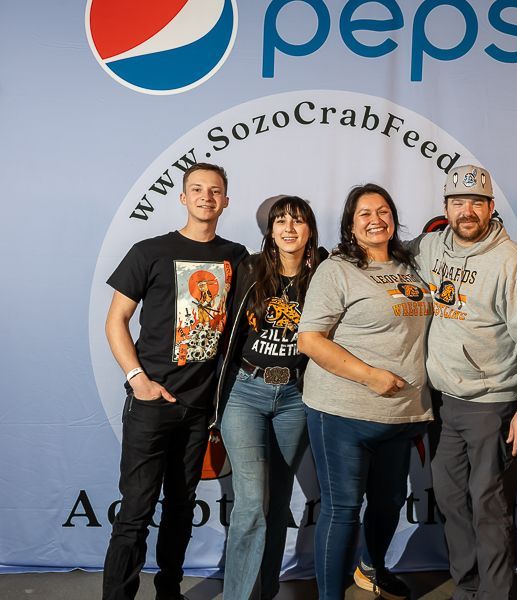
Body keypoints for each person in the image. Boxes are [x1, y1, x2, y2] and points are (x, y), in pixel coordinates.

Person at [102, 163, 248, 600]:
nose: (206, 197)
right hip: (151, 403)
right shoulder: (149, 251)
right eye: (197, 189)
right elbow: (116, 320)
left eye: (215, 190)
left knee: (182, 507)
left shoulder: (237, 255)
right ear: (183, 198)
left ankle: (169, 591)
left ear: (225, 201)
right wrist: (138, 380)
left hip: (200, 407)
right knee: (135, 510)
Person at [410, 164, 517, 599]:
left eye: (476, 202)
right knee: (451, 501)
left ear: (491, 207)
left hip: (493, 403)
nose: (467, 211)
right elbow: (383, 259)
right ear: (446, 208)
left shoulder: (513, 262)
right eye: (458, 202)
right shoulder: (430, 247)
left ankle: (495, 592)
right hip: (442, 403)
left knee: (488, 504)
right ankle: (467, 586)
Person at [296, 184, 433, 600]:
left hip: (401, 414)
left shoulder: (411, 266)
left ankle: (371, 568)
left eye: (383, 211)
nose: (376, 219)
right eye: (365, 214)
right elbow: (310, 340)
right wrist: (370, 375)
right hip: (343, 412)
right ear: (350, 225)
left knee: (389, 502)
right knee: (342, 509)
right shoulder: (337, 269)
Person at [215, 196, 324, 600]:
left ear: (310, 230)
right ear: (270, 230)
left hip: (295, 396)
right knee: (250, 502)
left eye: (298, 221)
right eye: (281, 221)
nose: (289, 228)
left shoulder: (325, 274)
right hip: (246, 391)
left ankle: (266, 591)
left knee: (278, 502)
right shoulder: (249, 268)